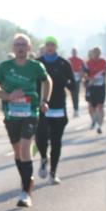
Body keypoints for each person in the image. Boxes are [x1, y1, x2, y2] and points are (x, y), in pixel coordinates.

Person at [0, 34, 50, 208]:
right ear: (13, 48)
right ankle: (27, 180)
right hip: (11, 115)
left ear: (29, 48)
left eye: (24, 44)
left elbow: (47, 81)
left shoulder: (36, 66)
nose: (21, 47)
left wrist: (45, 100)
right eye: (17, 44)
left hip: (30, 112)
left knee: (25, 148)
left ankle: (25, 192)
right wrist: (9, 96)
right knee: (18, 153)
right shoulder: (4, 67)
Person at [36, 37, 76, 185]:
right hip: (42, 106)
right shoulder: (38, 63)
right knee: (40, 137)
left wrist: (63, 80)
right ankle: (43, 157)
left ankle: (53, 172)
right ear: (45, 47)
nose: (50, 47)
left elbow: (73, 85)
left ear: (56, 47)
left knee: (56, 141)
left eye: (52, 45)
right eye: (47, 44)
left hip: (58, 107)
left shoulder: (64, 63)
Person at [86, 47, 106, 134]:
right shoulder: (88, 63)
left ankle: (99, 126)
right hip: (91, 87)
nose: (96, 54)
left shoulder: (103, 62)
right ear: (92, 53)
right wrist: (90, 78)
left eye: (98, 52)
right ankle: (94, 120)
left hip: (101, 87)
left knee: (100, 106)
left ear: (100, 53)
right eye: (95, 52)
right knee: (91, 106)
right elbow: (83, 75)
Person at [68, 47, 85, 116]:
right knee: (72, 94)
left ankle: (76, 109)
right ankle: (75, 108)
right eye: (73, 52)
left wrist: (81, 76)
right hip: (71, 78)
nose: (74, 53)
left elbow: (83, 69)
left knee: (76, 94)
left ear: (77, 52)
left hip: (78, 78)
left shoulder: (80, 60)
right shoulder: (69, 60)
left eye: (75, 52)